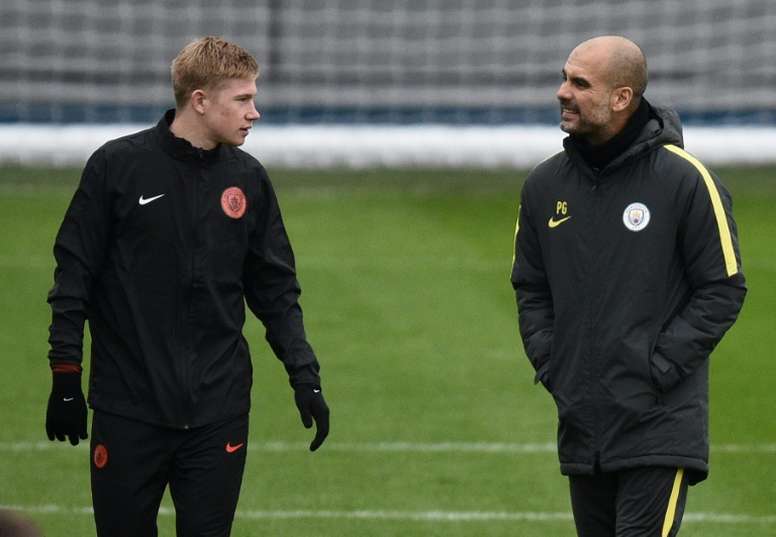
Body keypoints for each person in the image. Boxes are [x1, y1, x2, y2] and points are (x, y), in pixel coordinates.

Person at [44, 36, 330, 537]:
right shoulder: (116, 167)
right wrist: (65, 374)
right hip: (128, 409)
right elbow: (73, 278)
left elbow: (276, 293)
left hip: (218, 410)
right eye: (242, 99)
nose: (255, 112)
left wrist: (304, 377)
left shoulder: (250, 180)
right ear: (199, 100)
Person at [511, 35, 746, 537]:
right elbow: (530, 288)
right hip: (583, 425)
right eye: (564, 78)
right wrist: (557, 365)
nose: (562, 92)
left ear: (622, 97)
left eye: (580, 83)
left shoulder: (686, 180)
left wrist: (653, 370)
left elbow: (722, 288)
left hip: (658, 426)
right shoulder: (543, 186)